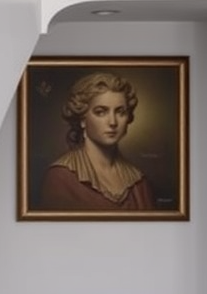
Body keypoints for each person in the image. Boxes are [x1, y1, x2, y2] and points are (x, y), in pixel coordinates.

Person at [38, 70, 155, 213]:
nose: (113, 122)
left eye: (120, 112)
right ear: (82, 119)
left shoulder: (139, 181)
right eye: (101, 112)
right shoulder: (60, 178)